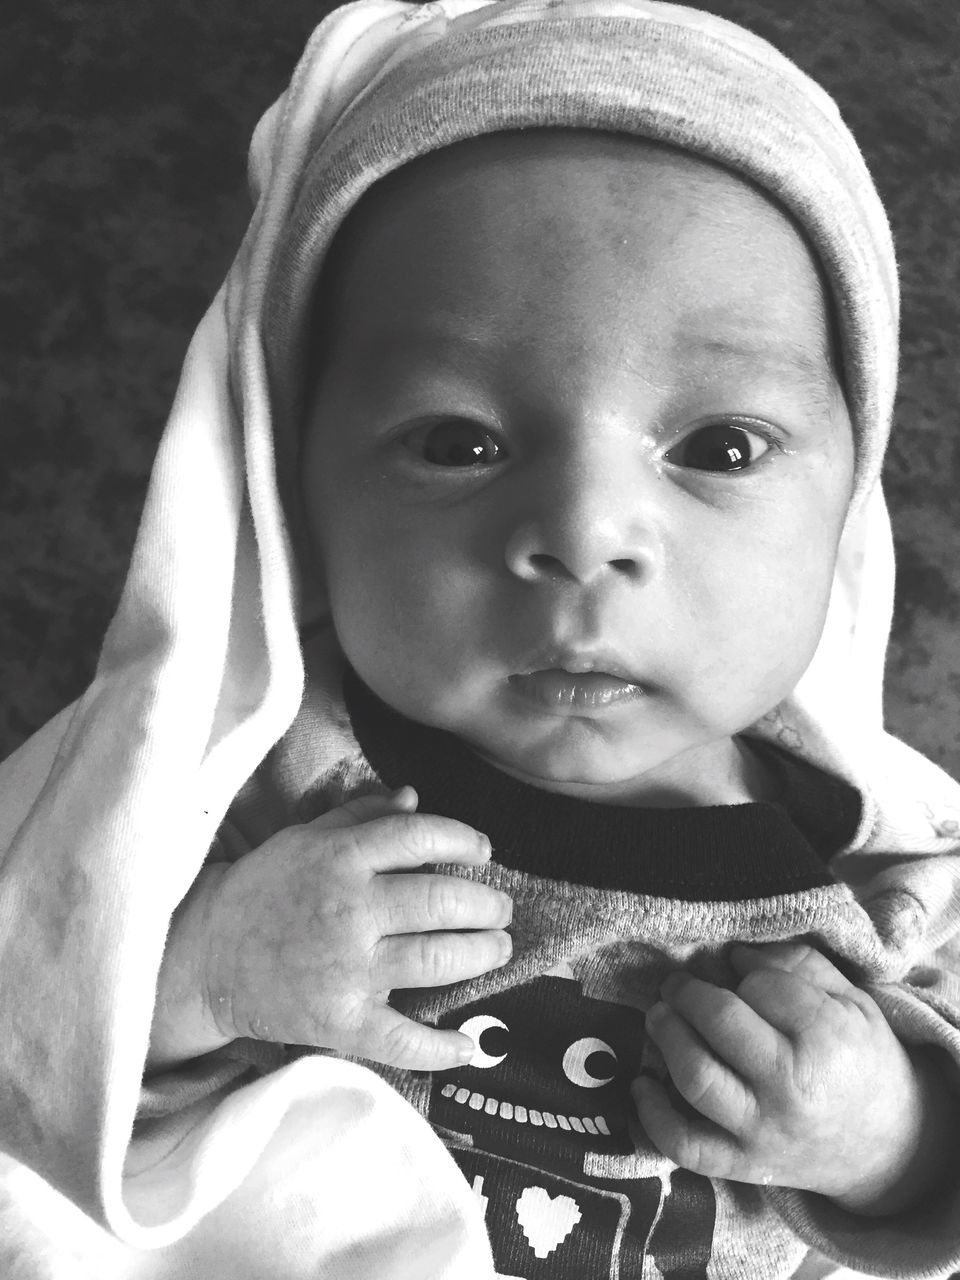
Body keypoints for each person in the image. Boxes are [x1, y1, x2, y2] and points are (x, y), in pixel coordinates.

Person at [2, 1, 960, 1278]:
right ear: (292, 482)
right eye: (459, 441)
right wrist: (201, 982)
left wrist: (893, 1135)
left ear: (847, 508)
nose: (582, 535)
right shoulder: (217, 783)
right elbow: (34, 1028)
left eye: (720, 447)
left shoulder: (895, 872)